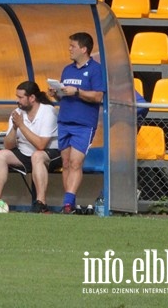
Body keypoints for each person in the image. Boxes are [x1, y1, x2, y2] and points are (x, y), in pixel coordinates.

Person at [48, 32, 105, 214]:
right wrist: (56, 93)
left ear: (84, 49)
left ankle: (67, 202)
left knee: (75, 162)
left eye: (72, 46)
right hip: (65, 121)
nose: (69, 49)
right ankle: (69, 204)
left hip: (84, 124)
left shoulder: (95, 70)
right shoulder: (67, 69)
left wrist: (77, 91)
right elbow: (66, 93)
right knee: (65, 163)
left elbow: (97, 96)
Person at [0, 81, 61, 213]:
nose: (18, 101)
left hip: (49, 153)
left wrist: (21, 125)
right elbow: (8, 145)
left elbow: (41, 145)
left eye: (20, 97)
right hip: (25, 153)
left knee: (37, 156)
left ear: (32, 98)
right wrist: (14, 128)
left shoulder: (48, 112)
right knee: (2, 155)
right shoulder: (17, 112)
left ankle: (41, 203)